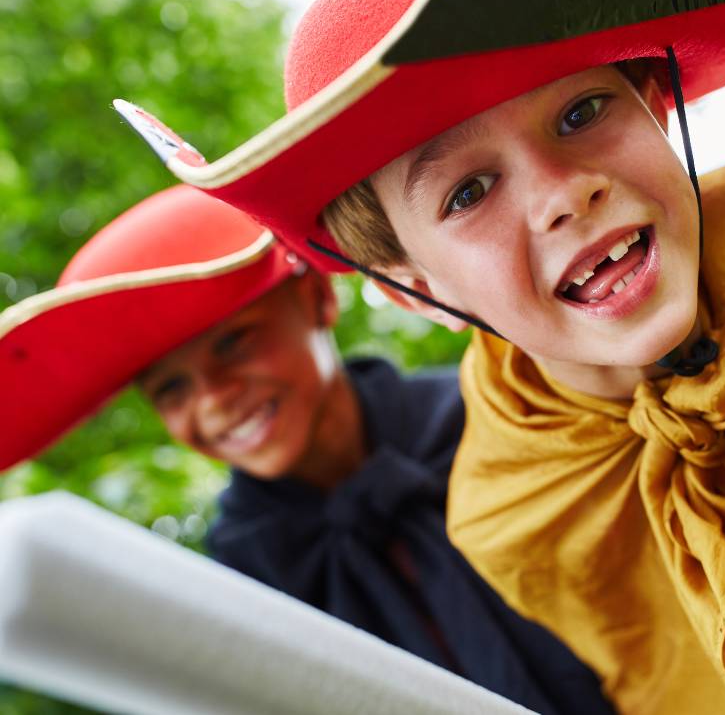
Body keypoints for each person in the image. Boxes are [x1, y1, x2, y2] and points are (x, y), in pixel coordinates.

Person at [116, 0, 725, 712]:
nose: (561, 194)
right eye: (468, 192)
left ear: (656, 104)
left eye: (581, 112)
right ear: (414, 292)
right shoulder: (510, 509)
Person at [0, 185, 617, 715]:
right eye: (172, 389)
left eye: (235, 343)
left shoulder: (502, 419)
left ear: (318, 300)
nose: (213, 402)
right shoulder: (239, 579)